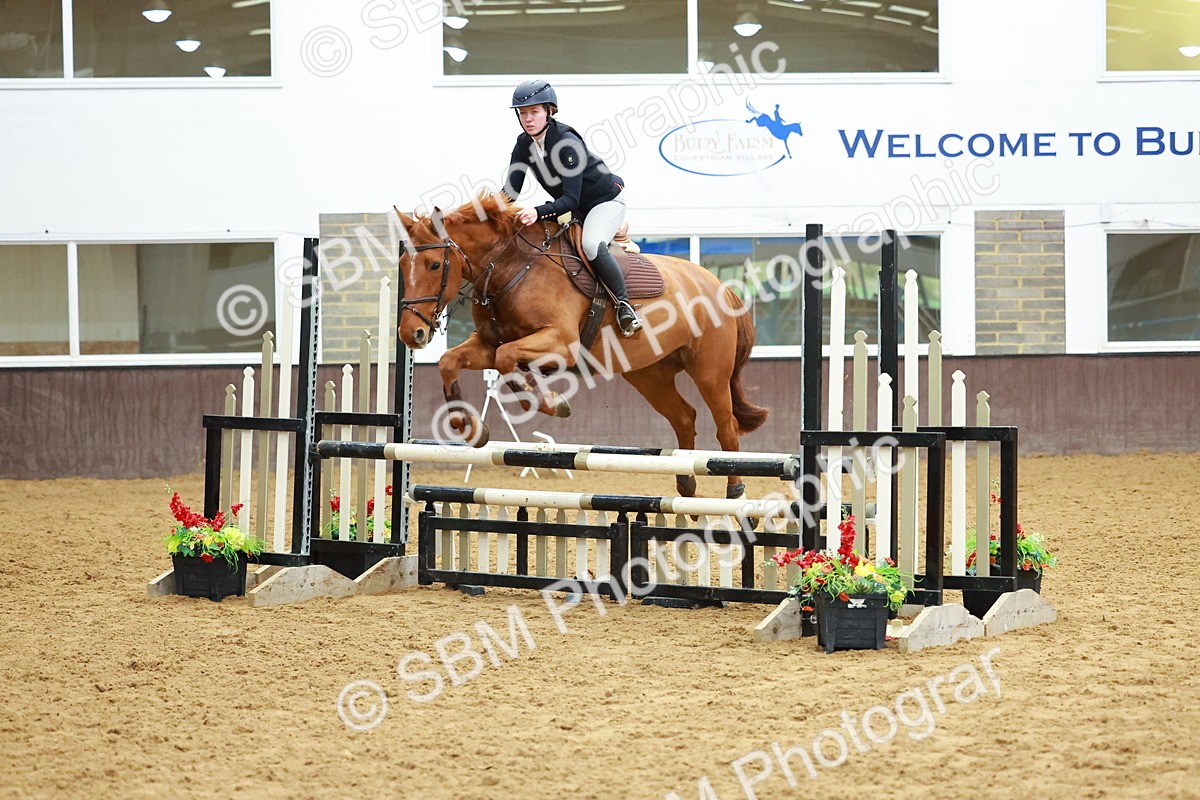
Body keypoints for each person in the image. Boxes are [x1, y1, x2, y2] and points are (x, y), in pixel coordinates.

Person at [502, 79, 642, 337]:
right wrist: (485, 214)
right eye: (523, 113)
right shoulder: (524, 144)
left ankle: (625, 307)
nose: (528, 119)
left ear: (549, 111)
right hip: (577, 209)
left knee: (590, 245)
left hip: (604, 202)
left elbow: (570, 200)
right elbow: (510, 192)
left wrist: (537, 211)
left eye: (534, 112)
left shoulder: (567, 142)